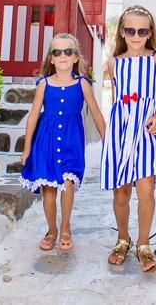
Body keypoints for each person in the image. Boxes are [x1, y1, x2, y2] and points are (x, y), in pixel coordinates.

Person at [101, 4, 156, 272]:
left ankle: (143, 244)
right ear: (122, 31)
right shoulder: (113, 63)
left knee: (146, 189)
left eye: (142, 31)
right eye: (130, 30)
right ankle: (123, 238)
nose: (136, 35)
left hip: (146, 130)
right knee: (121, 191)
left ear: (150, 32)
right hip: (121, 131)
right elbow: (118, 100)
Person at [20, 33, 106, 251]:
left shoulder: (83, 85)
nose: (63, 56)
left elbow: (96, 114)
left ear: (76, 57)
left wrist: (108, 143)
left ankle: (65, 225)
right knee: (49, 189)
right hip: (45, 141)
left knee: (68, 184)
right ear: (51, 59)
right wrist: (27, 147)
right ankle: (51, 229)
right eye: (57, 52)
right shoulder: (44, 84)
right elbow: (32, 116)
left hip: (71, 141)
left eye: (68, 51)